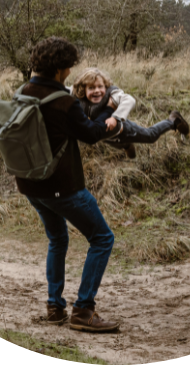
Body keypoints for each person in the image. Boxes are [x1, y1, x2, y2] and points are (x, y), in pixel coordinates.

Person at [15, 37, 120, 332]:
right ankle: (83, 311)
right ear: (60, 68)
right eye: (68, 68)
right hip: (63, 188)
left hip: (31, 185)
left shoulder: (22, 92)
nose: (69, 73)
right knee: (102, 239)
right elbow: (90, 134)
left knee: (58, 239)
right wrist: (110, 120)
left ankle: (54, 307)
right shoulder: (65, 101)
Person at [68, 67, 190, 159]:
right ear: (83, 88)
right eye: (91, 88)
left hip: (123, 129)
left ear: (106, 86)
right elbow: (64, 89)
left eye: (100, 86)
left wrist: (115, 117)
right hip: (105, 136)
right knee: (119, 144)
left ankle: (172, 120)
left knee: (150, 136)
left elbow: (129, 100)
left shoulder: (112, 94)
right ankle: (127, 146)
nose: (97, 91)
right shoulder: (77, 96)